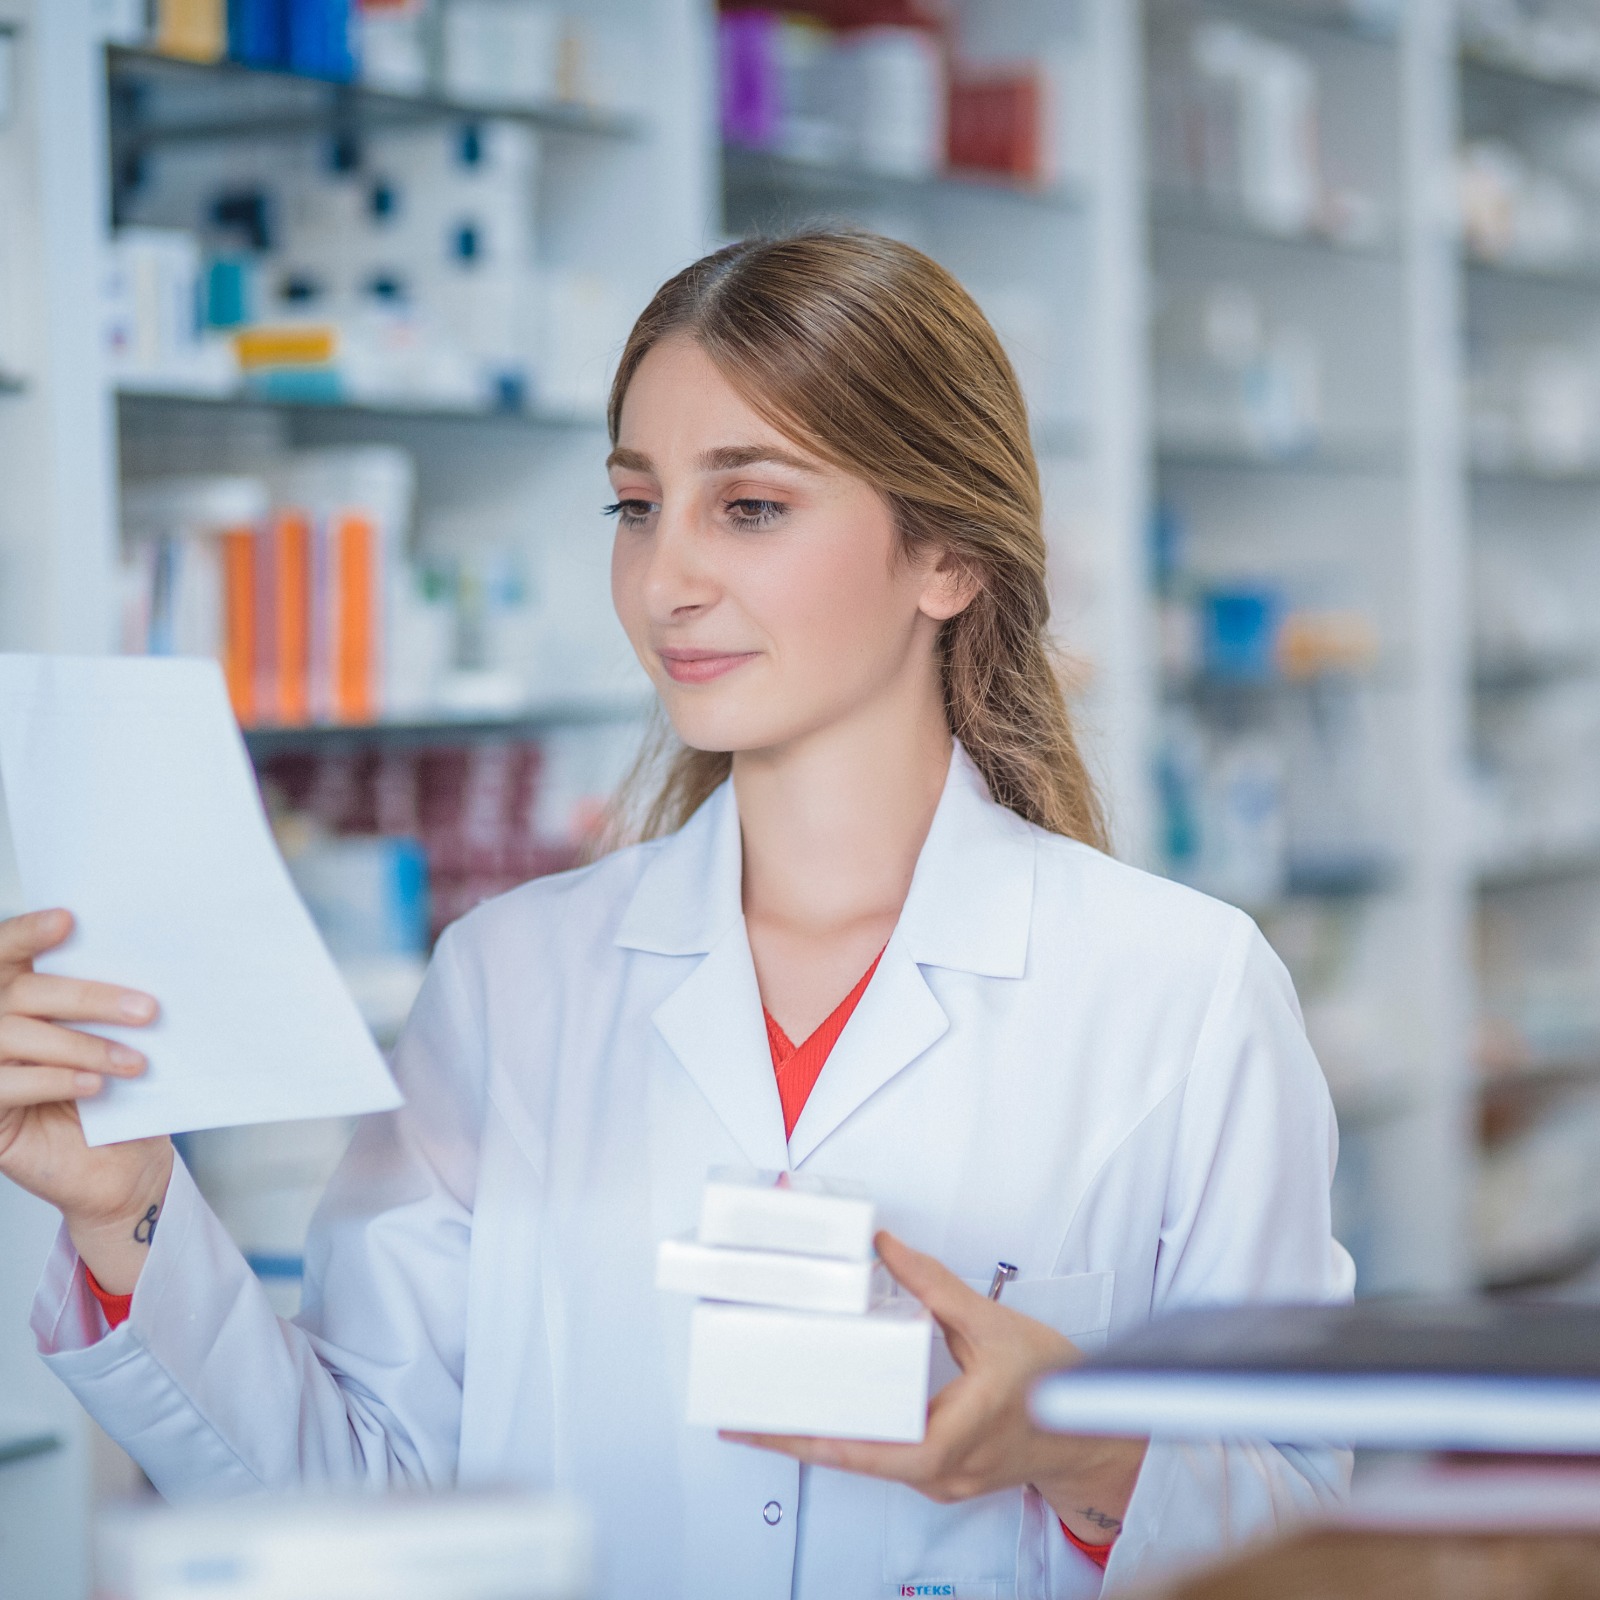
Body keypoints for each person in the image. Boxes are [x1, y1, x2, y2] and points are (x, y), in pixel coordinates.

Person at [1, 232, 1352, 1599]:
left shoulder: (1180, 993)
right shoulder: (512, 984)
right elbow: (366, 1505)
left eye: (750, 506)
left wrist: (1084, 1447)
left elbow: (1304, 1528)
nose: (665, 582)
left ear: (946, 557)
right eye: (637, 506)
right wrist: (127, 1206)